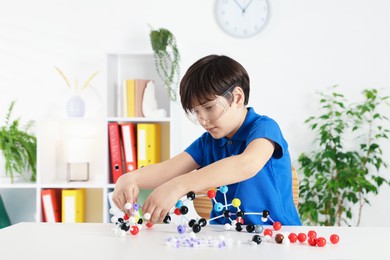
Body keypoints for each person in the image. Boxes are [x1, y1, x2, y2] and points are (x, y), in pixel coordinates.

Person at [113, 54, 301, 226]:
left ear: (237, 97)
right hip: (225, 238)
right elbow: (168, 170)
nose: (203, 120)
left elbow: (246, 164)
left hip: (277, 236)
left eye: (209, 108)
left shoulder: (264, 128)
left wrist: (179, 185)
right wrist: (129, 178)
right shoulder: (208, 142)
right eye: (196, 112)